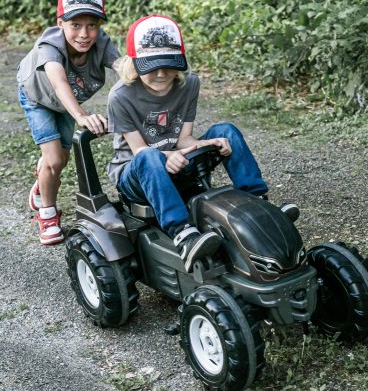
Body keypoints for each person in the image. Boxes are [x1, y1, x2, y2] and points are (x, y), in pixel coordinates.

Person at [107, 14, 298, 272]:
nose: (162, 74)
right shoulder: (120, 96)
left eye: (169, 64)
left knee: (226, 130)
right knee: (149, 157)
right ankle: (183, 233)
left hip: (178, 159)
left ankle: (259, 205)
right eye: (151, 66)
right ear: (134, 63)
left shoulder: (188, 84)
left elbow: (185, 138)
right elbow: (139, 150)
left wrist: (210, 143)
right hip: (138, 173)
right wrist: (166, 156)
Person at [17, 0, 119, 245]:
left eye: (92, 25)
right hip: (38, 97)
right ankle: (47, 214)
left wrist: (150, 77)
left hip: (65, 104)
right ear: (60, 22)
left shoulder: (101, 43)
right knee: (52, 160)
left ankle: (43, 181)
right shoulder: (50, 45)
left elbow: (124, 67)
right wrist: (82, 116)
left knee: (60, 161)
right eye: (75, 24)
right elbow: (59, 82)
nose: (85, 34)